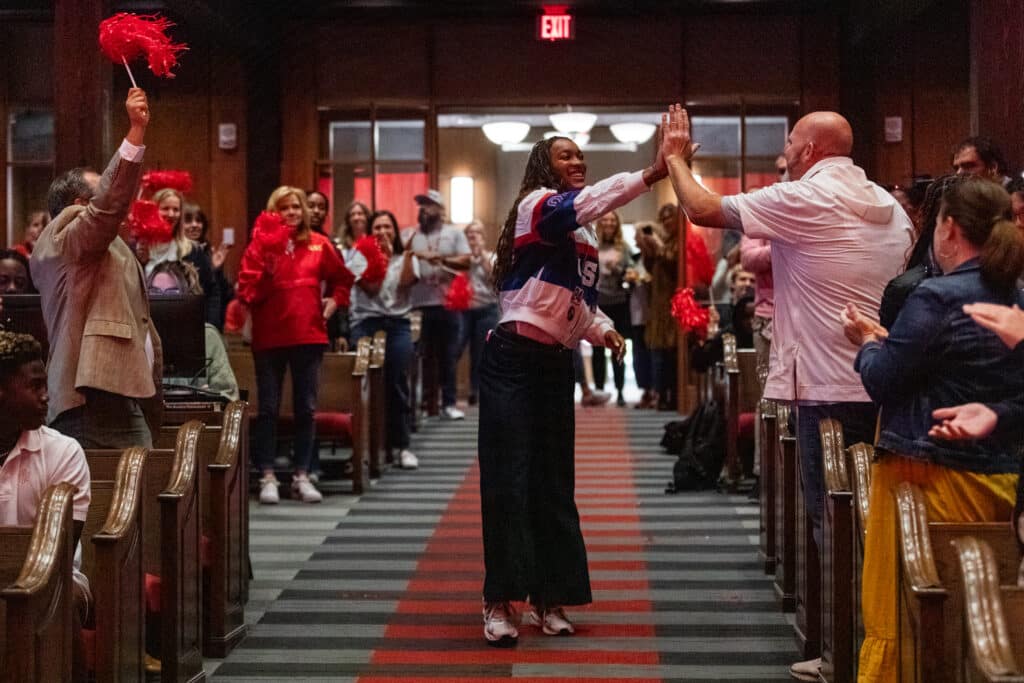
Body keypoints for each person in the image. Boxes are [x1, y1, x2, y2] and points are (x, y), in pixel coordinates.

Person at [659, 104, 913, 681]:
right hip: (883, 379)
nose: (790, 153)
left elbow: (700, 208)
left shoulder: (807, 197)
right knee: (878, 525)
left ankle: (845, 657)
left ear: (811, 151)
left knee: (836, 528)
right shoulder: (892, 208)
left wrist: (674, 155)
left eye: (793, 143)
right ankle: (884, 650)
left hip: (825, 384)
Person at [478, 134, 664, 646]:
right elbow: (592, 201)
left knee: (554, 484)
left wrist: (601, 328)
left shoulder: (580, 236)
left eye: (580, 155)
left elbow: (576, 303)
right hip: (512, 362)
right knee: (508, 480)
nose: (577, 161)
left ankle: (547, 598)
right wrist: (650, 174)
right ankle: (499, 601)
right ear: (544, 165)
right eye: (566, 155)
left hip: (555, 364)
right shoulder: (537, 207)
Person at [840, 175, 1024, 682]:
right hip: (1001, 474)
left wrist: (869, 343)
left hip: (925, 475)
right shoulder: (1018, 297)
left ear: (947, 228)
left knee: (898, 613)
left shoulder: (935, 297)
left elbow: (883, 381)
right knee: (983, 617)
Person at [31, 87, 163, 449]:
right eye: (99, 193)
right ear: (78, 204)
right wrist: (135, 133)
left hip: (118, 393)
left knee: (141, 493)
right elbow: (107, 206)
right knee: (106, 501)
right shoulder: (66, 236)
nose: (123, 206)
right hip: (88, 399)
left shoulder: (101, 246)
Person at [236, 186, 354, 504]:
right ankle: (268, 476)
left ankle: (302, 475)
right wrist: (267, 272)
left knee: (307, 409)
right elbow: (247, 293)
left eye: (296, 207)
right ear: (273, 212)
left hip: (308, 335)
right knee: (269, 409)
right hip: (269, 337)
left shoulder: (319, 245)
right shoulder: (259, 248)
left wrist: (331, 305)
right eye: (284, 208)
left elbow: (343, 279)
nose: (291, 213)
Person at [0, 331, 92, 681]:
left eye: (45, 384)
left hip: (60, 581)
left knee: (48, 597)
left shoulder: (63, 451)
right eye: (34, 386)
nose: (46, 396)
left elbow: (59, 554)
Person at [349, 209, 420, 469]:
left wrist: (398, 257)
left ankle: (400, 446)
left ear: (395, 231)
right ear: (370, 231)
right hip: (366, 323)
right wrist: (378, 260)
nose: (382, 232)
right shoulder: (358, 255)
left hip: (398, 325)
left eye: (387, 227)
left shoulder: (406, 257)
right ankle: (365, 446)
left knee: (397, 382)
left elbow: (406, 283)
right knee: (365, 387)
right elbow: (372, 289)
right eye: (377, 227)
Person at [403, 189, 471, 420]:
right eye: (421, 205)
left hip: (446, 303)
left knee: (448, 355)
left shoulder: (454, 234)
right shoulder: (411, 235)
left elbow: (466, 260)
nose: (424, 209)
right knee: (423, 356)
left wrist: (441, 259)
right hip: (419, 304)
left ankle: (449, 403)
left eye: (429, 205)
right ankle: (424, 403)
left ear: (441, 210)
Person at [146, 260, 239, 402]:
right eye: (154, 291)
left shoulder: (207, 336)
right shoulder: (140, 334)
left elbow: (229, 395)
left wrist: (205, 396)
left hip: (195, 420)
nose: (163, 298)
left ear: (188, 295)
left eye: (173, 292)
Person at [145, 188, 221, 327]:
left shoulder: (194, 250)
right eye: (165, 208)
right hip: (147, 326)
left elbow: (212, 293)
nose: (171, 214)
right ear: (154, 210)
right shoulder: (140, 249)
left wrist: (210, 327)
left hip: (186, 325)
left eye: (176, 209)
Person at [637, 205, 680, 411]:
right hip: (658, 303)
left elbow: (674, 264)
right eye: (662, 219)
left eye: (669, 218)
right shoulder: (666, 241)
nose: (665, 222)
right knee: (659, 350)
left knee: (670, 353)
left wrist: (659, 247)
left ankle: (670, 396)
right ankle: (660, 393)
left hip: (675, 303)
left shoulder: (680, 240)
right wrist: (648, 250)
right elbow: (651, 269)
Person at [593, 210, 633, 406]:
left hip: (618, 302)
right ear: (600, 223)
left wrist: (618, 269)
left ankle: (619, 391)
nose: (608, 223)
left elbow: (632, 273)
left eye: (612, 220)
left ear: (617, 224)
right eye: (605, 220)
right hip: (598, 302)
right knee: (597, 349)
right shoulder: (592, 245)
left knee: (618, 347)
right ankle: (599, 390)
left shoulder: (624, 248)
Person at [460, 219, 500, 406]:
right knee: (456, 348)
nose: (472, 237)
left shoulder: (491, 256)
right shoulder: (460, 259)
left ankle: (476, 391)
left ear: (483, 237)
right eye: (469, 234)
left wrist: (481, 255)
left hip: (487, 310)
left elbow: (495, 279)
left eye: (476, 234)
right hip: (463, 311)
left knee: (481, 353)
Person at [181, 202, 233, 331]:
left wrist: (216, 270)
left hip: (208, 325)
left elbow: (225, 295)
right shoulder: (174, 252)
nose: (194, 225)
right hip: (184, 322)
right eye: (188, 221)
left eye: (198, 221)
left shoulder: (207, 251)